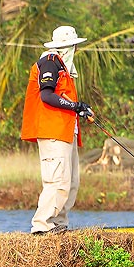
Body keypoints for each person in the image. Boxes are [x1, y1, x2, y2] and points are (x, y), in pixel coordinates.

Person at [21, 25, 93, 235]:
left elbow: (63, 98)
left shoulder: (64, 68)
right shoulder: (50, 63)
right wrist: (75, 106)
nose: (76, 51)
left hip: (66, 131)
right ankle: (42, 226)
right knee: (57, 181)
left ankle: (59, 225)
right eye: (75, 47)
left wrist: (80, 108)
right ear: (68, 47)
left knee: (71, 182)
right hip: (52, 131)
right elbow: (47, 95)